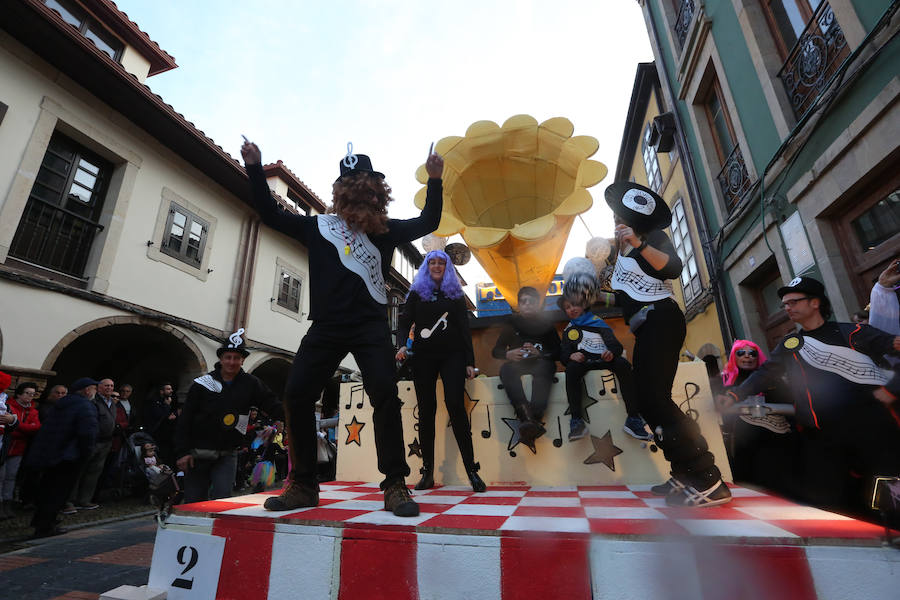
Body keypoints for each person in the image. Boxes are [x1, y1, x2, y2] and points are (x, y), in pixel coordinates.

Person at [241, 138, 443, 517]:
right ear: (341, 194)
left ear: (376, 194)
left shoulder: (385, 231)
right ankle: (302, 484)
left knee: (385, 394)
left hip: (370, 327)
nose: (359, 195)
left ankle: (395, 484)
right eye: (352, 188)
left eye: (366, 188)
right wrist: (255, 168)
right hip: (327, 326)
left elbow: (428, 222)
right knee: (297, 394)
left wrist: (435, 179)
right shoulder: (318, 226)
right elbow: (270, 214)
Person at [718, 276, 900, 512]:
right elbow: (765, 374)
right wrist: (734, 395)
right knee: (832, 508)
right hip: (822, 439)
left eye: (793, 302)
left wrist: (891, 389)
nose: (787, 308)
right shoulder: (791, 343)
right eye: (785, 304)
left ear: (815, 303)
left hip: (870, 433)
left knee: (886, 503)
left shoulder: (853, 332)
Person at [601, 182, 730, 507]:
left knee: (657, 398)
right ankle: (684, 470)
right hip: (645, 326)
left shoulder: (651, 239)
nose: (615, 217)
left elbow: (673, 269)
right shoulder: (620, 248)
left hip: (662, 319)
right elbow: (619, 295)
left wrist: (638, 242)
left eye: (619, 213)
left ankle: (708, 478)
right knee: (647, 401)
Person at [396, 249, 485, 492]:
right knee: (426, 411)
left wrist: (469, 360)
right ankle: (427, 472)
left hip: (453, 355)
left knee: (455, 405)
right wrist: (402, 344)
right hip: (423, 356)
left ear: (447, 268)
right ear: (427, 266)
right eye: (432, 262)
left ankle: (472, 471)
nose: (436, 266)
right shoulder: (416, 293)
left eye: (441, 263)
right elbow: (404, 322)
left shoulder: (455, 294)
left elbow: (464, 328)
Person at [175, 331, 283, 503]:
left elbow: (270, 403)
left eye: (236, 358)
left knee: (222, 501)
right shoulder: (203, 384)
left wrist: (285, 418)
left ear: (242, 360)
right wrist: (182, 452)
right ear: (221, 359)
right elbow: (185, 419)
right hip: (198, 454)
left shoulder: (251, 383)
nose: (232, 362)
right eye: (228, 357)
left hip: (228, 454)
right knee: (194, 502)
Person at [557, 294, 651, 442]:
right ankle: (576, 422)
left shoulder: (598, 323)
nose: (572, 309)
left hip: (603, 360)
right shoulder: (569, 330)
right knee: (571, 369)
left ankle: (633, 419)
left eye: (575, 304)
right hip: (583, 363)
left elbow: (616, 346)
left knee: (623, 364)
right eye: (567, 307)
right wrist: (571, 356)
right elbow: (563, 354)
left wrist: (611, 353)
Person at [718, 340, 794, 492]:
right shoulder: (723, 382)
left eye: (752, 353)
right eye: (741, 353)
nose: (748, 356)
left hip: (775, 442)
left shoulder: (771, 379)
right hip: (743, 446)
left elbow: (789, 402)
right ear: (734, 356)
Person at [26, 378, 99, 538]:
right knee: (59, 492)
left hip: (53, 453)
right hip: (70, 456)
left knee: (48, 489)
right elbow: (87, 432)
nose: (95, 392)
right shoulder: (86, 406)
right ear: (87, 390)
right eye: (94, 388)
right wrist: (87, 452)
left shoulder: (62, 403)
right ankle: (45, 526)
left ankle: (41, 520)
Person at [491, 287, 561, 448]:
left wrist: (540, 353)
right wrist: (508, 354)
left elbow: (558, 352)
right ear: (519, 306)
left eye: (531, 301)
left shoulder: (546, 324)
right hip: (518, 365)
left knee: (545, 367)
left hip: (540, 363)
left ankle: (533, 419)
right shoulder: (511, 323)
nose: (527, 304)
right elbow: (496, 351)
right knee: (506, 370)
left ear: (538, 305)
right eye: (523, 301)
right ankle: (527, 419)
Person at [64, 377, 116, 513]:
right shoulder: (94, 401)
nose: (109, 388)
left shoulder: (112, 403)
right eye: (106, 386)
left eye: (111, 386)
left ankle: (84, 499)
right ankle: (69, 500)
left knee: (94, 472)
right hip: (93, 441)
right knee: (80, 470)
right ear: (99, 387)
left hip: (106, 442)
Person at [0, 382, 41, 519]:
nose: (30, 396)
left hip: (19, 449)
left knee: (11, 477)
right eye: (27, 393)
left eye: (33, 394)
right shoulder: (9, 407)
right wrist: (21, 428)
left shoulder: (33, 411)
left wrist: (16, 424)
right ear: (19, 394)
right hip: (5, 446)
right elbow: (8, 429)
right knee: (1, 476)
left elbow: (35, 429)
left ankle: (7, 503)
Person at [142, 383, 178, 466]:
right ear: (162, 391)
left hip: (167, 435)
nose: (171, 391)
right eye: (168, 389)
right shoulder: (153, 401)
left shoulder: (169, 400)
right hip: (157, 434)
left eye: (171, 389)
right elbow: (159, 416)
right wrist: (166, 406)